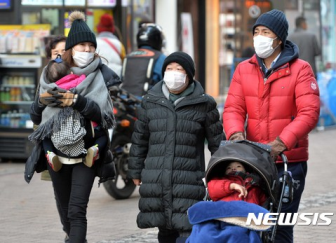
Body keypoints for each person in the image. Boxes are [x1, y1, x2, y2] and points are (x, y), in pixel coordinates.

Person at [222, 9, 320, 243]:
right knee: (253, 225)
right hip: (253, 162)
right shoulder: (244, 69)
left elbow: (309, 112)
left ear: (279, 38)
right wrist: (236, 135)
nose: (260, 37)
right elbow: (233, 108)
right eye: (256, 32)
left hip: (289, 163)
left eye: (266, 32)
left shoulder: (301, 69)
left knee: (282, 227)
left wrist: (282, 143)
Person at [27, 11, 116, 243]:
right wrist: (41, 101)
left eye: (90, 45)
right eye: (81, 45)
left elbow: (105, 117)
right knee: (66, 214)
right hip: (56, 153)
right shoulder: (52, 73)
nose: (86, 50)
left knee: (77, 211)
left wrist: (79, 102)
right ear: (70, 49)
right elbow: (35, 114)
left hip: (88, 152)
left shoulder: (101, 75)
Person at [128, 51, 224, 243]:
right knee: (164, 230)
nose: (173, 74)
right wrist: (135, 171)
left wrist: (222, 175)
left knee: (188, 231)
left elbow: (218, 144)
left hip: (189, 180)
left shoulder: (204, 104)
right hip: (157, 179)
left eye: (179, 69)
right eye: (169, 69)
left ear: (188, 74)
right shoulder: (150, 102)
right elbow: (140, 139)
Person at [37, 55, 107, 171]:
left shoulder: (50, 90)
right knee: (103, 134)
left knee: (45, 136)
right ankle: (95, 148)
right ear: (70, 71)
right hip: (80, 130)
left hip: (57, 132)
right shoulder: (80, 81)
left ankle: (50, 153)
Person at [120, 23, 167, 97]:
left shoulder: (128, 57)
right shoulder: (160, 57)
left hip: (125, 101)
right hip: (148, 104)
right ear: (158, 39)